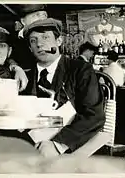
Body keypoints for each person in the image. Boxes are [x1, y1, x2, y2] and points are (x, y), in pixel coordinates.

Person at [22, 18, 105, 156]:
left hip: (69, 149)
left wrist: (57, 145)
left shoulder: (80, 70)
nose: (39, 44)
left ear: (59, 41)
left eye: (46, 37)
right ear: (30, 48)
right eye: (33, 40)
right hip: (29, 149)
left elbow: (94, 115)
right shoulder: (25, 77)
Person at [11, 4, 48, 70]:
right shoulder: (12, 39)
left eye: (44, 15)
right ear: (23, 21)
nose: (42, 19)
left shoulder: (50, 39)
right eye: (36, 15)